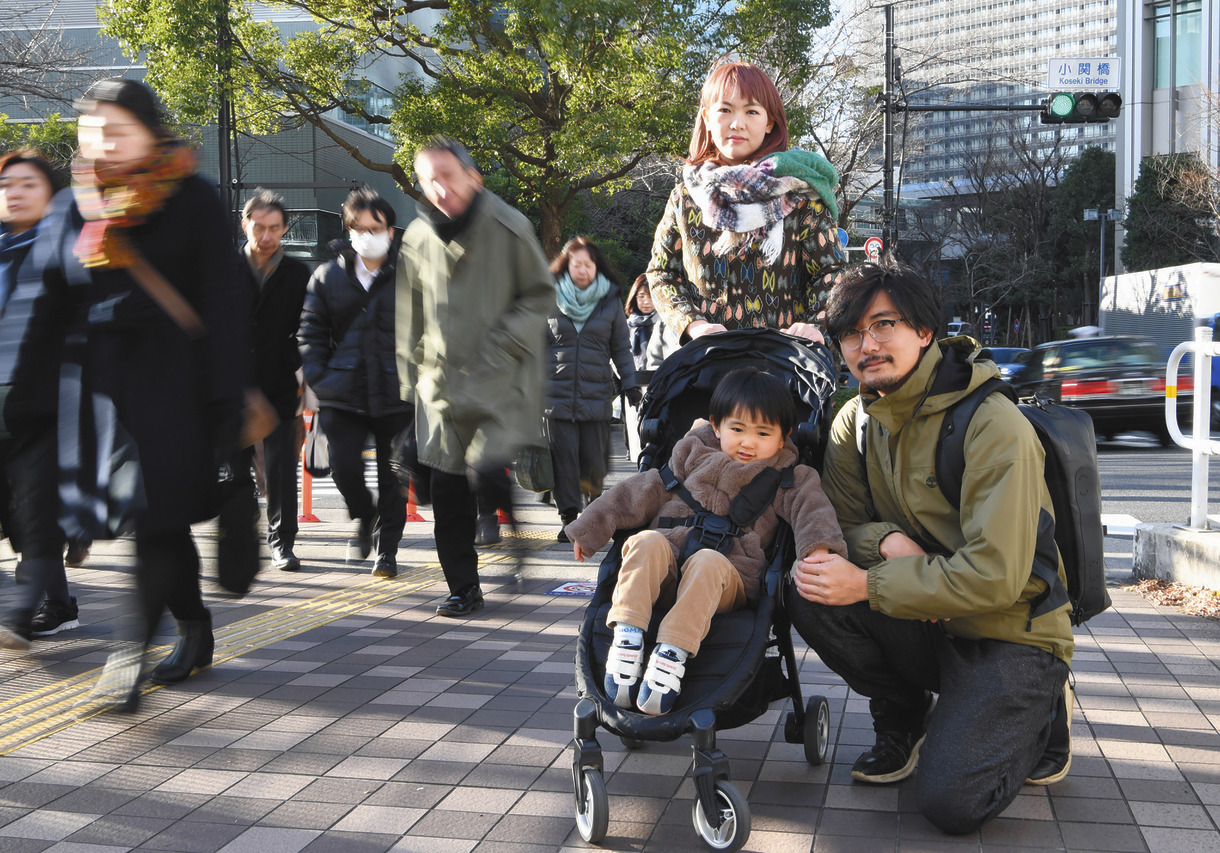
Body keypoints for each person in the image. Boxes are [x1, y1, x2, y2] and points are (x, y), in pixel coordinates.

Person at [787, 261, 1075, 834]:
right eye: (850, 332)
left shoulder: (994, 425)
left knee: (951, 804)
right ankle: (906, 713)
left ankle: (1041, 709)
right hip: (929, 619)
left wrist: (869, 582)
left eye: (883, 325)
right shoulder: (854, 421)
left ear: (924, 331)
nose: (865, 345)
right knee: (810, 586)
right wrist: (889, 543)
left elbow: (996, 576)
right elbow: (839, 525)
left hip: (1009, 630)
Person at [66, 79, 248, 709]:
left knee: (155, 522)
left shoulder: (191, 196)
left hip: (180, 394)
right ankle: (193, 627)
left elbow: (225, 304)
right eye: (94, 132)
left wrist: (230, 402)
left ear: (152, 130)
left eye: (118, 131)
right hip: (111, 395)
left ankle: (126, 660)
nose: (103, 144)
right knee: (157, 526)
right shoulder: (87, 201)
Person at [566, 367, 844, 715]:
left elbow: (813, 512)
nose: (748, 442)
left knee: (708, 563)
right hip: (668, 568)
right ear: (716, 426)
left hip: (729, 578)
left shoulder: (789, 477)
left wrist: (819, 550)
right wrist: (591, 527)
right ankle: (628, 636)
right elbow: (638, 491)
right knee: (645, 542)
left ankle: (671, 653)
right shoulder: (688, 457)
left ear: (784, 435)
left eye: (763, 433)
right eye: (737, 429)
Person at [396, 136, 553, 617]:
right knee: (446, 492)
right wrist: (410, 381)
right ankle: (463, 586)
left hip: (499, 383)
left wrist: (503, 344)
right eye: (428, 179)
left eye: (448, 175)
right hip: (440, 389)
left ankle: (512, 537)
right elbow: (409, 314)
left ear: (473, 176)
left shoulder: (509, 226)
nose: (439, 189)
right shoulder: (417, 238)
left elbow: (539, 295)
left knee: (484, 469)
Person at [645, 61, 844, 346]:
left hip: (782, 364)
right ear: (707, 117)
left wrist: (814, 326)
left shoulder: (800, 193)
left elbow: (832, 272)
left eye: (751, 111)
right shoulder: (686, 198)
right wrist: (692, 324)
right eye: (724, 110)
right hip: (705, 366)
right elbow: (662, 272)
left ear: (769, 122)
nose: (737, 123)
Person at [299, 187, 409, 579]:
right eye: (359, 227)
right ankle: (363, 515)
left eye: (375, 227)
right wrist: (320, 378)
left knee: (393, 474)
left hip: (397, 394)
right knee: (344, 468)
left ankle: (387, 551)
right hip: (342, 393)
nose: (367, 234)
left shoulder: (411, 273)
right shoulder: (327, 276)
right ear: (348, 231)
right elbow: (310, 332)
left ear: (390, 231)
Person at [0, 151, 79, 645]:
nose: (15, 191)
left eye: (29, 184)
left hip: (48, 407)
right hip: (4, 409)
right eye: (7, 183)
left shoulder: (66, 250)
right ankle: (61, 601)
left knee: (36, 512)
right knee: (20, 516)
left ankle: (23, 612)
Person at [546, 236, 639, 542]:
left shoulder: (610, 303)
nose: (583, 269)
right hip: (555, 396)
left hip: (596, 396)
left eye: (588, 264)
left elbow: (622, 350)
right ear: (567, 266)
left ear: (596, 267)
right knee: (564, 460)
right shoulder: (549, 300)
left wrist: (630, 383)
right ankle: (569, 519)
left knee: (592, 462)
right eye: (577, 264)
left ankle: (592, 515)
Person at [235, 189, 310, 572]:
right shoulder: (224, 270)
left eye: (275, 229)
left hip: (281, 382)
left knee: (282, 468)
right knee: (235, 466)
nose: (267, 236)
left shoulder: (298, 273)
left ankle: (283, 542)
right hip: (233, 386)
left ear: (284, 229)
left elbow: (309, 328)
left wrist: (301, 371)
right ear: (244, 223)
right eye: (259, 227)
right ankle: (240, 537)